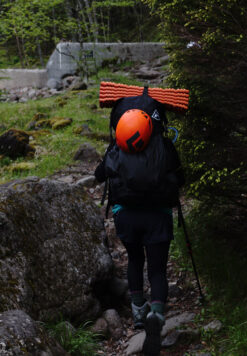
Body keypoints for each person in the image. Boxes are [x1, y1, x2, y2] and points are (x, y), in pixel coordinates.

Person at [94, 96, 185, 356]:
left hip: (126, 217)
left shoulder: (117, 147)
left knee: (134, 261)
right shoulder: (164, 146)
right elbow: (180, 178)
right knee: (157, 270)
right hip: (157, 215)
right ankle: (157, 313)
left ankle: (137, 312)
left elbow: (99, 175)